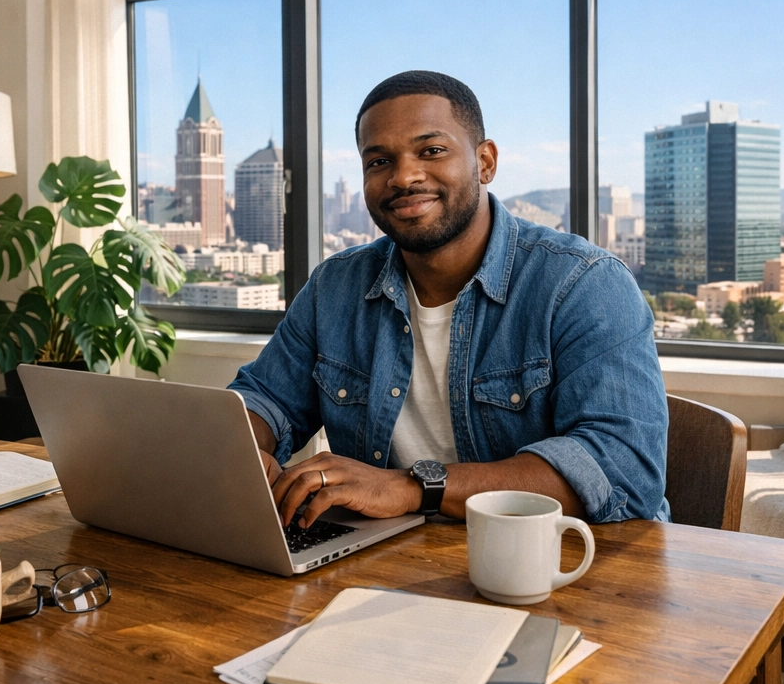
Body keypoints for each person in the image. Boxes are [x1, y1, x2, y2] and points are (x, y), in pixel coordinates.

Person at [229, 70, 668, 531]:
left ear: (485, 162)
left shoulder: (584, 283)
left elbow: (623, 471)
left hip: (568, 567)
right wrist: (244, 447)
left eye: (431, 151)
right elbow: (264, 397)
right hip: (390, 562)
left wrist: (411, 487)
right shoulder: (334, 287)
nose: (404, 176)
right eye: (378, 161)